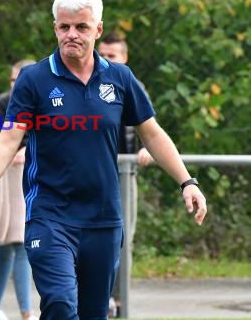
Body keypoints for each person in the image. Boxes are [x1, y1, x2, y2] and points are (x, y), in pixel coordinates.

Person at [0, 0, 207, 319]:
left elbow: (151, 133)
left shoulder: (120, 78)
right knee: (62, 305)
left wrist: (187, 181)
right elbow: (8, 140)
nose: (72, 34)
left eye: (81, 27)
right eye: (64, 27)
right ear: (55, 28)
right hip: (50, 215)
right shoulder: (34, 79)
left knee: (94, 312)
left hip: (103, 219)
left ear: (97, 29)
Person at [98, 32, 153, 316]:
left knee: (123, 238)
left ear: (124, 57)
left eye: (112, 56)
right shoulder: (88, 80)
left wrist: (146, 150)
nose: (106, 60)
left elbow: (150, 128)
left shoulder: (131, 84)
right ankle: (99, 297)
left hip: (123, 172)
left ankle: (119, 299)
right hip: (93, 172)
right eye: (103, 54)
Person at [0, 59, 38, 320]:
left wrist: (28, 150)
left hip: (31, 174)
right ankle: (5, 310)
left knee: (18, 244)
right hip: (5, 174)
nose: (17, 86)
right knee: (8, 244)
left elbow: (47, 135)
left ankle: (15, 310)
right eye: (14, 80)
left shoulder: (44, 100)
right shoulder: (0, 102)